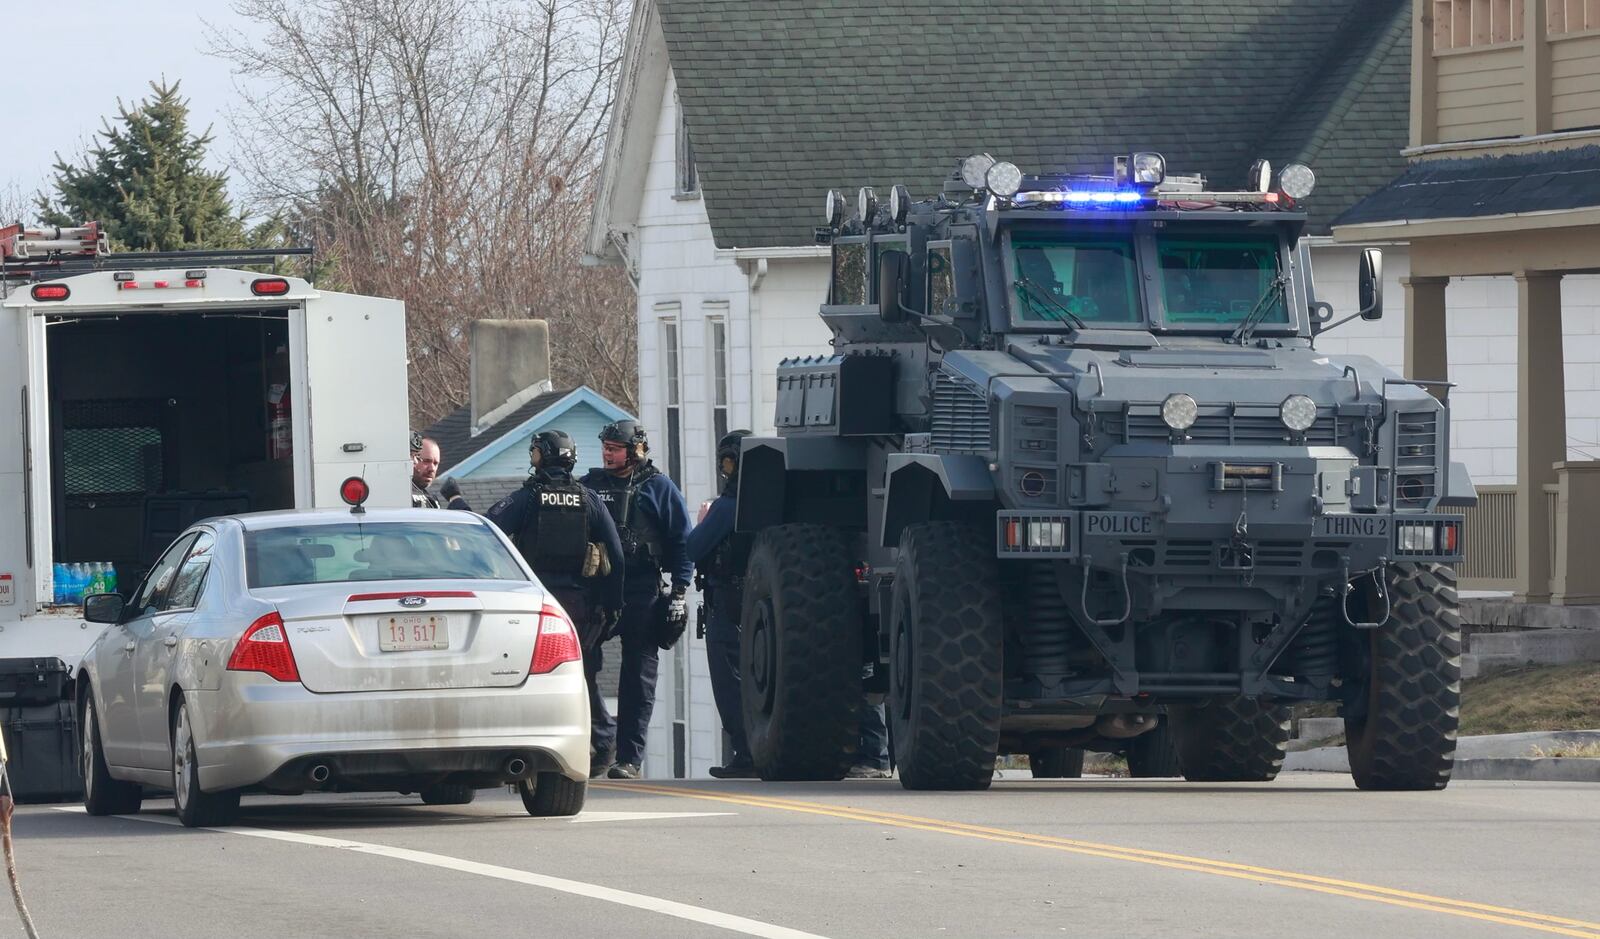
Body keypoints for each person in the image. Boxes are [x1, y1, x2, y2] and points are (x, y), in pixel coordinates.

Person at [486, 431, 625, 777]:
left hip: (537, 605)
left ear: (540, 456)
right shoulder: (589, 500)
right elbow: (617, 556)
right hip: (580, 606)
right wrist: (612, 607)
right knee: (584, 675)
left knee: (530, 677)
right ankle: (602, 743)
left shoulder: (527, 499)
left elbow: (489, 533)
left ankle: (530, 746)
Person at [579, 420, 691, 780]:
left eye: (615, 447)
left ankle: (629, 758)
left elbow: (682, 541)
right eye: (605, 447)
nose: (607, 453)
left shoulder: (659, 487)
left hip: (642, 590)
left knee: (638, 677)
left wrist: (679, 591)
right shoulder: (589, 486)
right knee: (579, 663)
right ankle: (602, 736)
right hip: (598, 590)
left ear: (636, 450)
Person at [686, 430, 756, 779]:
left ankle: (745, 753)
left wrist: (703, 521)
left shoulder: (727, 507)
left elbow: (693, 548)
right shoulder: (774, 503)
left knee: (730, 681)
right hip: (764, 605)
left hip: (727, 601)